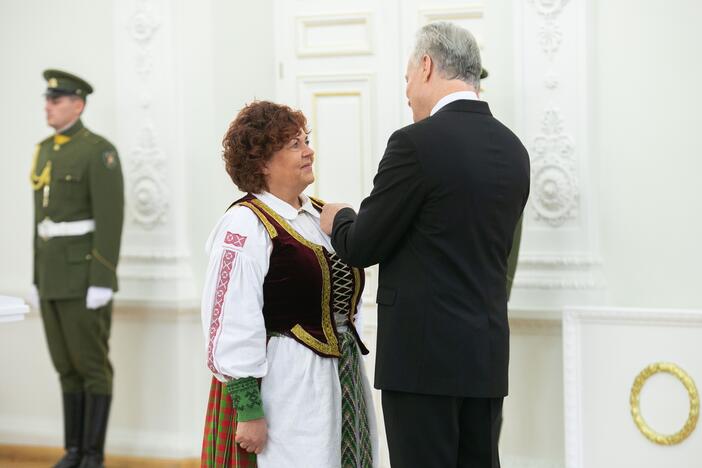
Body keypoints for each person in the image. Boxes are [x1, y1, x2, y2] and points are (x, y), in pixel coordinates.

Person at [320, 22, 530, 468]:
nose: (407, 93)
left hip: (421, 364)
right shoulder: (514, 150)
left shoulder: (414, 144)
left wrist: (339, 217)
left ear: (427, 66)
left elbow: (361, 246)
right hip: (486, 360)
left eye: (407, 79)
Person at [200, 101, 377, 467]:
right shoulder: (245, 225)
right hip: (288, 382)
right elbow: (231, 318)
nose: (308, 150)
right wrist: (249, 409)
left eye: (306, 140)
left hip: (339, 376)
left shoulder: (320, 215)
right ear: (262, 162)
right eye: (294, 144)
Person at [29, 69, 124, 468]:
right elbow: (40, 220)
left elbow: (111, 216)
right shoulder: (45, 150)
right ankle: (72, 452)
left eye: (57, 99)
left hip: (84, 276)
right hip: (52, 275)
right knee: (65, 367)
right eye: (47, 99)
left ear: (78, 104)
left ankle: (92, 455)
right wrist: (37, 276)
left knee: (91, 367)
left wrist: (102, 277)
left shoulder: (98, 151)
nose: (48, 105)